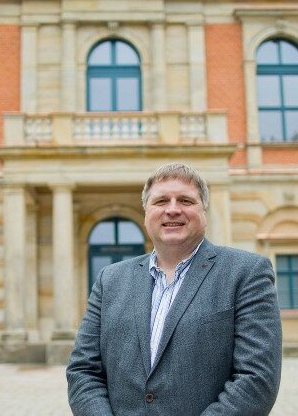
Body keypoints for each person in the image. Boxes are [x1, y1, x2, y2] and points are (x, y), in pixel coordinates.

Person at [67, 163, 282, 416]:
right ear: (146, 213)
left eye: (185, 200)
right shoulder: (110, 279)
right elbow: (83, 370)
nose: (172, 209)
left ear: (204, 211)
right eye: (161, 201)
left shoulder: (246, 272)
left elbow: (256, 380)